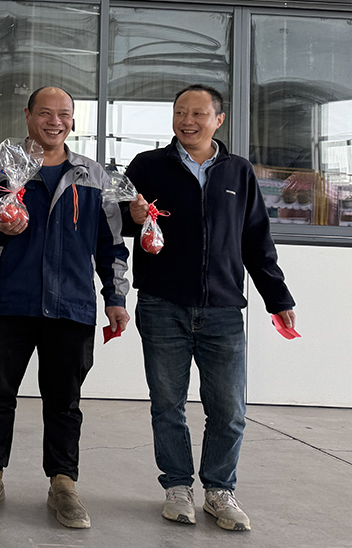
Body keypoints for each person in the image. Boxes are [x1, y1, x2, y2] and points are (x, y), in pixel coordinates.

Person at [0, 86, 129, 529]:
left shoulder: (92, 175)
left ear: (72, 120)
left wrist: (115, 297)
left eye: (64, 114)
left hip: (71, 305)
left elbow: (111, 244)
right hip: (10, 301)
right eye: (46, 113)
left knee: (65, 400)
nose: (55, 122)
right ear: (28, 115)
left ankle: (63, 484)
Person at [125, 84, 296, 532]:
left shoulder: (238, 172)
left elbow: (256, 241)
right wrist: (132, 217)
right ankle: (177, 487)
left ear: (218, 120)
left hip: (223, 309)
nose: (188, 120)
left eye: (198, 113)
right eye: (180, 112)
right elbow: (117, 219)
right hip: (162, 305)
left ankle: (219, 490)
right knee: (167, 405)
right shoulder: (147, 166)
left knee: (229, 410)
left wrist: (278, 298)